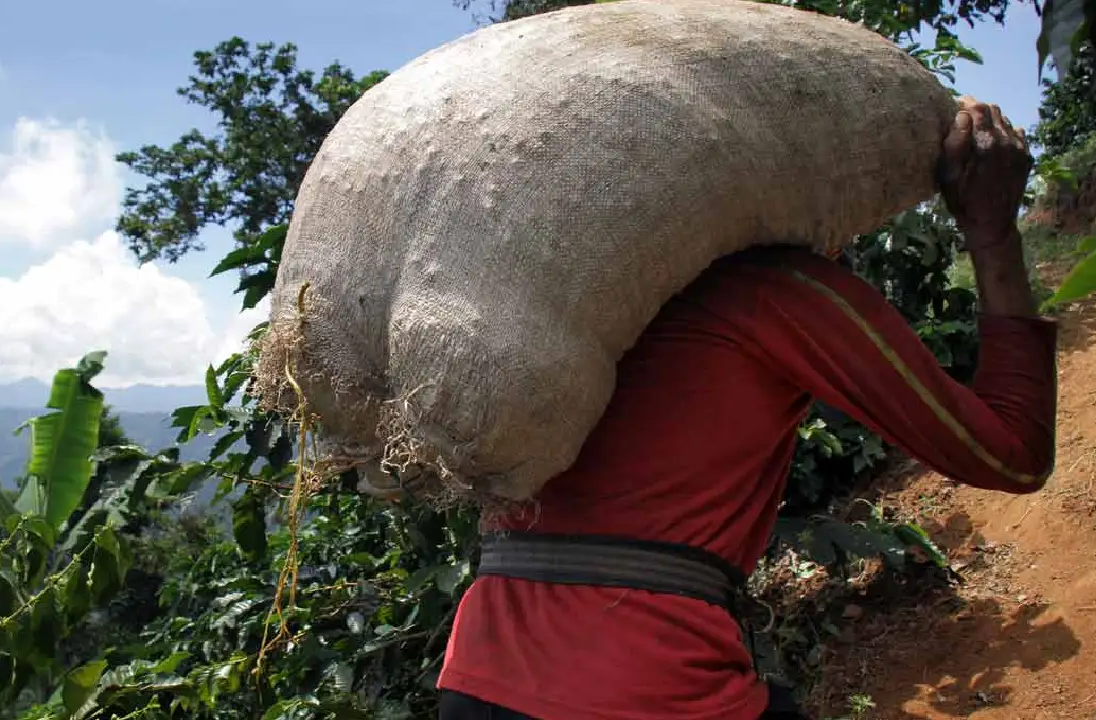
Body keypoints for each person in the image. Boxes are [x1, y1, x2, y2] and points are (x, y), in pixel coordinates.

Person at [435, 96, 1057, 720]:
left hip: (473, 672)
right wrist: (992, 229)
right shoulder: (777, 290)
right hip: (645, 686)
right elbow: (1013, 455)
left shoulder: (556, 300)